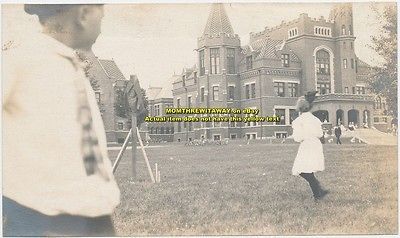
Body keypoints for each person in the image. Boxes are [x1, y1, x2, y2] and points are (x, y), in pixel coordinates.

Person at [3, 4, 120, 236]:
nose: (103, 20)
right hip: (45, 217)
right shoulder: (22, 60)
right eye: (101, 11)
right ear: (83, 14)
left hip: (93, 213)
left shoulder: (70, 65)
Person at [291, 91, 329, 201]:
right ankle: (319, 191)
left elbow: (297, 138)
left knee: (301, 170)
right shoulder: (315, 119)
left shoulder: (298, 121)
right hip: (316, 145)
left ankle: (318, 192)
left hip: (307, 145)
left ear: (300, 108)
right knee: (308, 169)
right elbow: (321, 135)